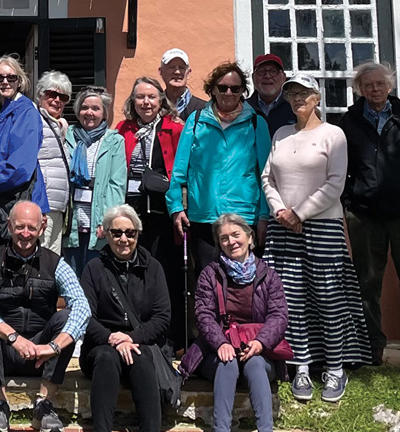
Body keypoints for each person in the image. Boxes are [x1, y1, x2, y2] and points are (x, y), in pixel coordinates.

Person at [260, 74, 368, 403]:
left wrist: (301, 213)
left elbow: (335, 183)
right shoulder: (280, 133)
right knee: (291, 301)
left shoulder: (332, 134)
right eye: (292, 93)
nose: (298, 99)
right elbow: (267, 178)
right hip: (283, 228)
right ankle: (301, 365)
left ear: (317, 97)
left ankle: (334, 368)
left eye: (304, 93)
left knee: (329, 300)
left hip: (321, 227)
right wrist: (281, 211)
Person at [337, 61, 400, 368]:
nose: (375, 89)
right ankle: (371, 347)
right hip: (364, 214)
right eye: (368, 85)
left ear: (390, 86)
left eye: (380, 84)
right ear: (359, 89)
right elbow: (341, 167)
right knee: (366, 283)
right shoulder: (348, 122)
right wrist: (348, 200)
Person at [0, 201, 90, 432]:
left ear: (42, 229)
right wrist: (14, 338)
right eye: (20, 227)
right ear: (10, 226)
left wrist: (53, 347)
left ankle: (44, 404)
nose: (25, 234)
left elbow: (82, 307)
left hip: (42, 355)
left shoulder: (57, 264)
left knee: (67, 318)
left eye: (31, 228)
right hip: (3, 351)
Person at [182, 215, 287, 432]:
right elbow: (203, 314)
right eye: (224, 238)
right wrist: (220, 342)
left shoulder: (268, 275)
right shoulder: (210, 274)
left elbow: (279, 315)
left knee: (253, 364)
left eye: (236, 235)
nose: (231, 241)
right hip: (217, 352)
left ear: (250, 238)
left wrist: (260, 342)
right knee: (228, 364)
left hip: (258, 350)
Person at [78, 205, 171, 432]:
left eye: (129, 233)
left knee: (142, 361)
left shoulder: (153, 268)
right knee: (107, 358)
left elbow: (163, 317)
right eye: (117, 233)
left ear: (138, 234)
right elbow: (85, 316)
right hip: (101, 345)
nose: (123, 239)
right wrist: (112, 339)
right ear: (107, 235)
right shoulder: (94, 268)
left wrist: (130, 338)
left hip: (139, 343)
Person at [168, 61, 272, 278]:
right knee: (208, 281)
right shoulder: (195, 121)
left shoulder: (256, 122)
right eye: (222, 87)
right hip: (204, 217)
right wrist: (176, 207)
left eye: (235, 88)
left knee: (244, 282)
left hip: (243, 216)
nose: (228, 93)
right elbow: (179, 171)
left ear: (243, 91)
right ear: (212, 90)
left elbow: (266, 174)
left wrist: (264, 215)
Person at [116, 77, 188, 348]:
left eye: (151, 97)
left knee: (165, 275)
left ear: (161, 101)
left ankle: (169, 337)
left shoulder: (175, 128)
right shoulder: (123, 129)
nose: (146, 102)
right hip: (131, 214)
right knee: (134, 276)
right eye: (140, 97)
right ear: (132, 102)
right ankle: (137, 332)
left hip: (162, 213)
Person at [0, 55, 48, 245]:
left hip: (20, 199)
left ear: (19, 81)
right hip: (5, 199)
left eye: (11, 78)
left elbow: (21, 167)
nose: (5, 82)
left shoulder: (26, 112)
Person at [61, 85, 127, 272]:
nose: (89, 112)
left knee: (95, 276)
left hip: (97, 222)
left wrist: (107, 220)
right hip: (72, 221)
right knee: (72, 275)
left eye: (95, 108)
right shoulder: (68, 136)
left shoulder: (114, 141)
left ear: (104, 113)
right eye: (84, 107)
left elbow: (117, 184)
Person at [33, 71, 76, 254]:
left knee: (52, 258)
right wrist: (38, 205)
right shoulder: (35, 121)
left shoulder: (59, 126)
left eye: (63, 97)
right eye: (52, 94)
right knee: (41, 255)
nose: (57, 100)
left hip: (58, 206)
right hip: (43, 206)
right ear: (40, 95)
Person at [246, 53, 297, 135]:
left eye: (274, 71)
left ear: (284, 77)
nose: (267, 76)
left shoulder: (295, 108)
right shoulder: (243, 109)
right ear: (253, 77)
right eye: (261, 71)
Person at [159, 48, 207, 116]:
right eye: (171, 67)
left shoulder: (204, 109)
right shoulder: (154, 107)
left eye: (181, 68)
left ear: (188, 73)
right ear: (161, 72)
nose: (177, 72)